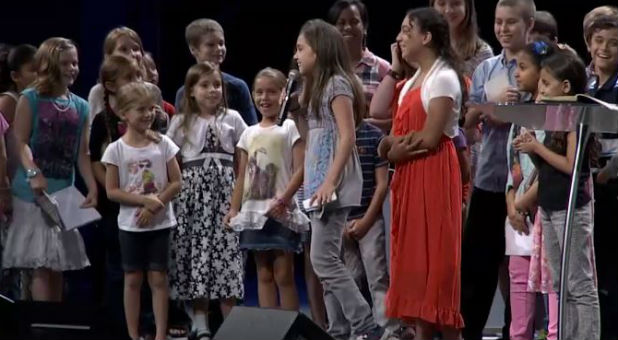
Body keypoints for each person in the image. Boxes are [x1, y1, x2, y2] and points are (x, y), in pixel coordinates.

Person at [377, 7, 465, 339]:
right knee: (416, 269)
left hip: (434, 176)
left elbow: (429, 138)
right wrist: (389, 146)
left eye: (405, 30)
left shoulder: (443, 77)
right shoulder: (413, 79)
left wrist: (390, 146)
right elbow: (391, 136)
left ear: (425, 37)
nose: (399, 37)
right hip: (411, 176)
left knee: (437, 269)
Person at [291, 18, 380, 340]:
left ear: (320, 49)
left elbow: (346, 137)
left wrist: (330, 182)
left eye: (301, 48)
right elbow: (311, 138)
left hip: (334, 183)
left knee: (323, 259)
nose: (296, 56)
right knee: (326, 260)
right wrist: (298, 113)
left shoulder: (337, 85)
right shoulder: (315, 89)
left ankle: (365, 324)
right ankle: (339, 328)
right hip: (318, 182)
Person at [513, 50, 600, 340]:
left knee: (579, 282)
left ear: (565, 87)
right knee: (561, 283)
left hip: (570, 209)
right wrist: (532, 151)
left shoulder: (575, 117)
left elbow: (570, 166)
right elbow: (552, 168)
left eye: (546, 84)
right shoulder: (554, 117)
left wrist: (538, 149)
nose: (540, 90)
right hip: (549, 208)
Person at [1, 37, 97, 302]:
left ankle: (53, 323)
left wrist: (91, 186)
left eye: (75, 63)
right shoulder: (30, 99)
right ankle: (40, 326)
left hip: (64, 193)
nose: (72, 68)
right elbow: (20, 141)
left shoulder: (81, 106)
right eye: (65, 63)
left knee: (59, 265)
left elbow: (83, 152)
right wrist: (33, 172)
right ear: (50, 64)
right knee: (42, 265)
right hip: (32, 195)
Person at [460, 1, 535, 338]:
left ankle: (518, 331)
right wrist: (490, 110)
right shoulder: (486, 69)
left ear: (528, 24)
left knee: (520, 267)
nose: (503, 29)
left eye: (511, 23)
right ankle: (469, 330)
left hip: (527, 182)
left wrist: (509, 109)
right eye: (498, 22)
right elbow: (470, 120)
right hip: (490, 177)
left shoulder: (542, 65)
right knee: (478, 266)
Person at [167, 62, 247, 340]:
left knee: (227, 255)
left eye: (216, 85)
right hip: (192, 199)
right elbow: (172, 162)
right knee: (197, 254)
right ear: (190, 91)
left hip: (225, 196)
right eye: (205, 85)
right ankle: (199, 319)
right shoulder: (179, 122)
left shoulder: (234, 118)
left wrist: (238, 199)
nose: (213, 90)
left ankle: (231, 322)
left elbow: (243, 160)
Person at [102, 81, 182, 340]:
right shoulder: (116, 150)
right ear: (124, 113)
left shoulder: (164, 144)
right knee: (133, 279)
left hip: (160, 225)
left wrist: (156, 203)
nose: (148, 114)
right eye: (141, 109)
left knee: (158, 278)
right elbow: (112, 191)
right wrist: (143, 202)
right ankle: (133, 335)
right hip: (130, 226)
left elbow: (177, 182)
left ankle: (160, 334)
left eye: (152, 109)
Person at [224, 67, 308, 311]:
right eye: (259, 92)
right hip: (254, 213)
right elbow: (242, 176)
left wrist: (284, 199)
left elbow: (301, 169)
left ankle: (289, 329)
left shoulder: (290, 128)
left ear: (284, 94)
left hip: (280, 211)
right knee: (264, 274)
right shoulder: (248, 134)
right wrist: (233, 208)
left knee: (284, 274)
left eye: (272, 92)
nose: (265, 98)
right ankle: (269, 330)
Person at [174, 19, 257, 126]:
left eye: (221, 43)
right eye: (210, 45)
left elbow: (251, 132)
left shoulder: (237, 87)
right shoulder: (183, 93)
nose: (219, 49)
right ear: (193, 49)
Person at [327, 0, 392, 131]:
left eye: (354, 22)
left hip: (373, 148)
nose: (347, 27)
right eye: (341, 23)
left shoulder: (383, 68)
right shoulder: (325, 68)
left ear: (365, 27)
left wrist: (363, 125)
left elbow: (398, 117)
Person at [88, 26, 146, 124]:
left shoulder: (152, 90)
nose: (132, 54)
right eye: (123, 49)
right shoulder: (98, 92)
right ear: (109, 57)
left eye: (136, 49)